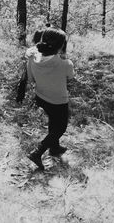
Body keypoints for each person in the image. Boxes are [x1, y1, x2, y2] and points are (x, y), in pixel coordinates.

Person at [26, 27, 74, 170]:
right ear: (61, 45)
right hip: (58, 100)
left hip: (41, 97)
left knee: (53, 121)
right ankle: (37, 152)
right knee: (60, 127)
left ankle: (54, 148)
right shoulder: (65, 63)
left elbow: (30, 78)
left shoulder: (32, 58)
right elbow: (70, 76)